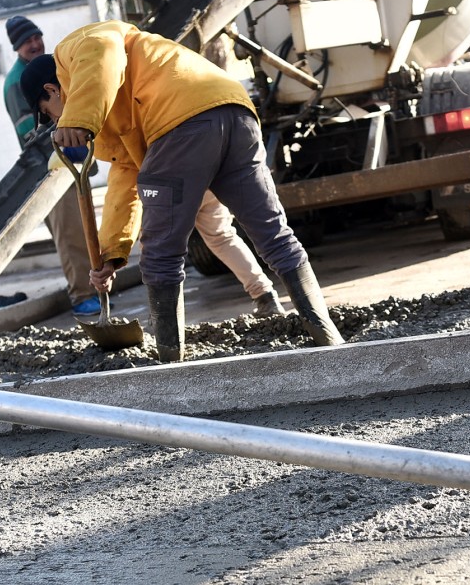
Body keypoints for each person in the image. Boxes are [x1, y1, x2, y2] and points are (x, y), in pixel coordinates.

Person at [20, 21, 340, 362]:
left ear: (52, 90)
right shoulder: (118, 106)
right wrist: (111, 254)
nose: (56, 122)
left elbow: (101, 53)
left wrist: (79, 118)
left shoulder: (79, 45)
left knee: (160, 254)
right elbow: (126, 177)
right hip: (233, 110)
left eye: (48, 115)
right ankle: (327, 336)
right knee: (274, 235)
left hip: (180, 122)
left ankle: (170, 358)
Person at [2, 15, 99, 320]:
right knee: (70, 234)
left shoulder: (47, 67)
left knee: (86, 231)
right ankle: (82, 296)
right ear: (16, 48)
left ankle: (96, 290)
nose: (34, 44)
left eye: (36, 37)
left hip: (70, 162)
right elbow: (32, 134)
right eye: (26, 41)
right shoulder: (18, 82)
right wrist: (67, 138)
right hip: (49, 169)